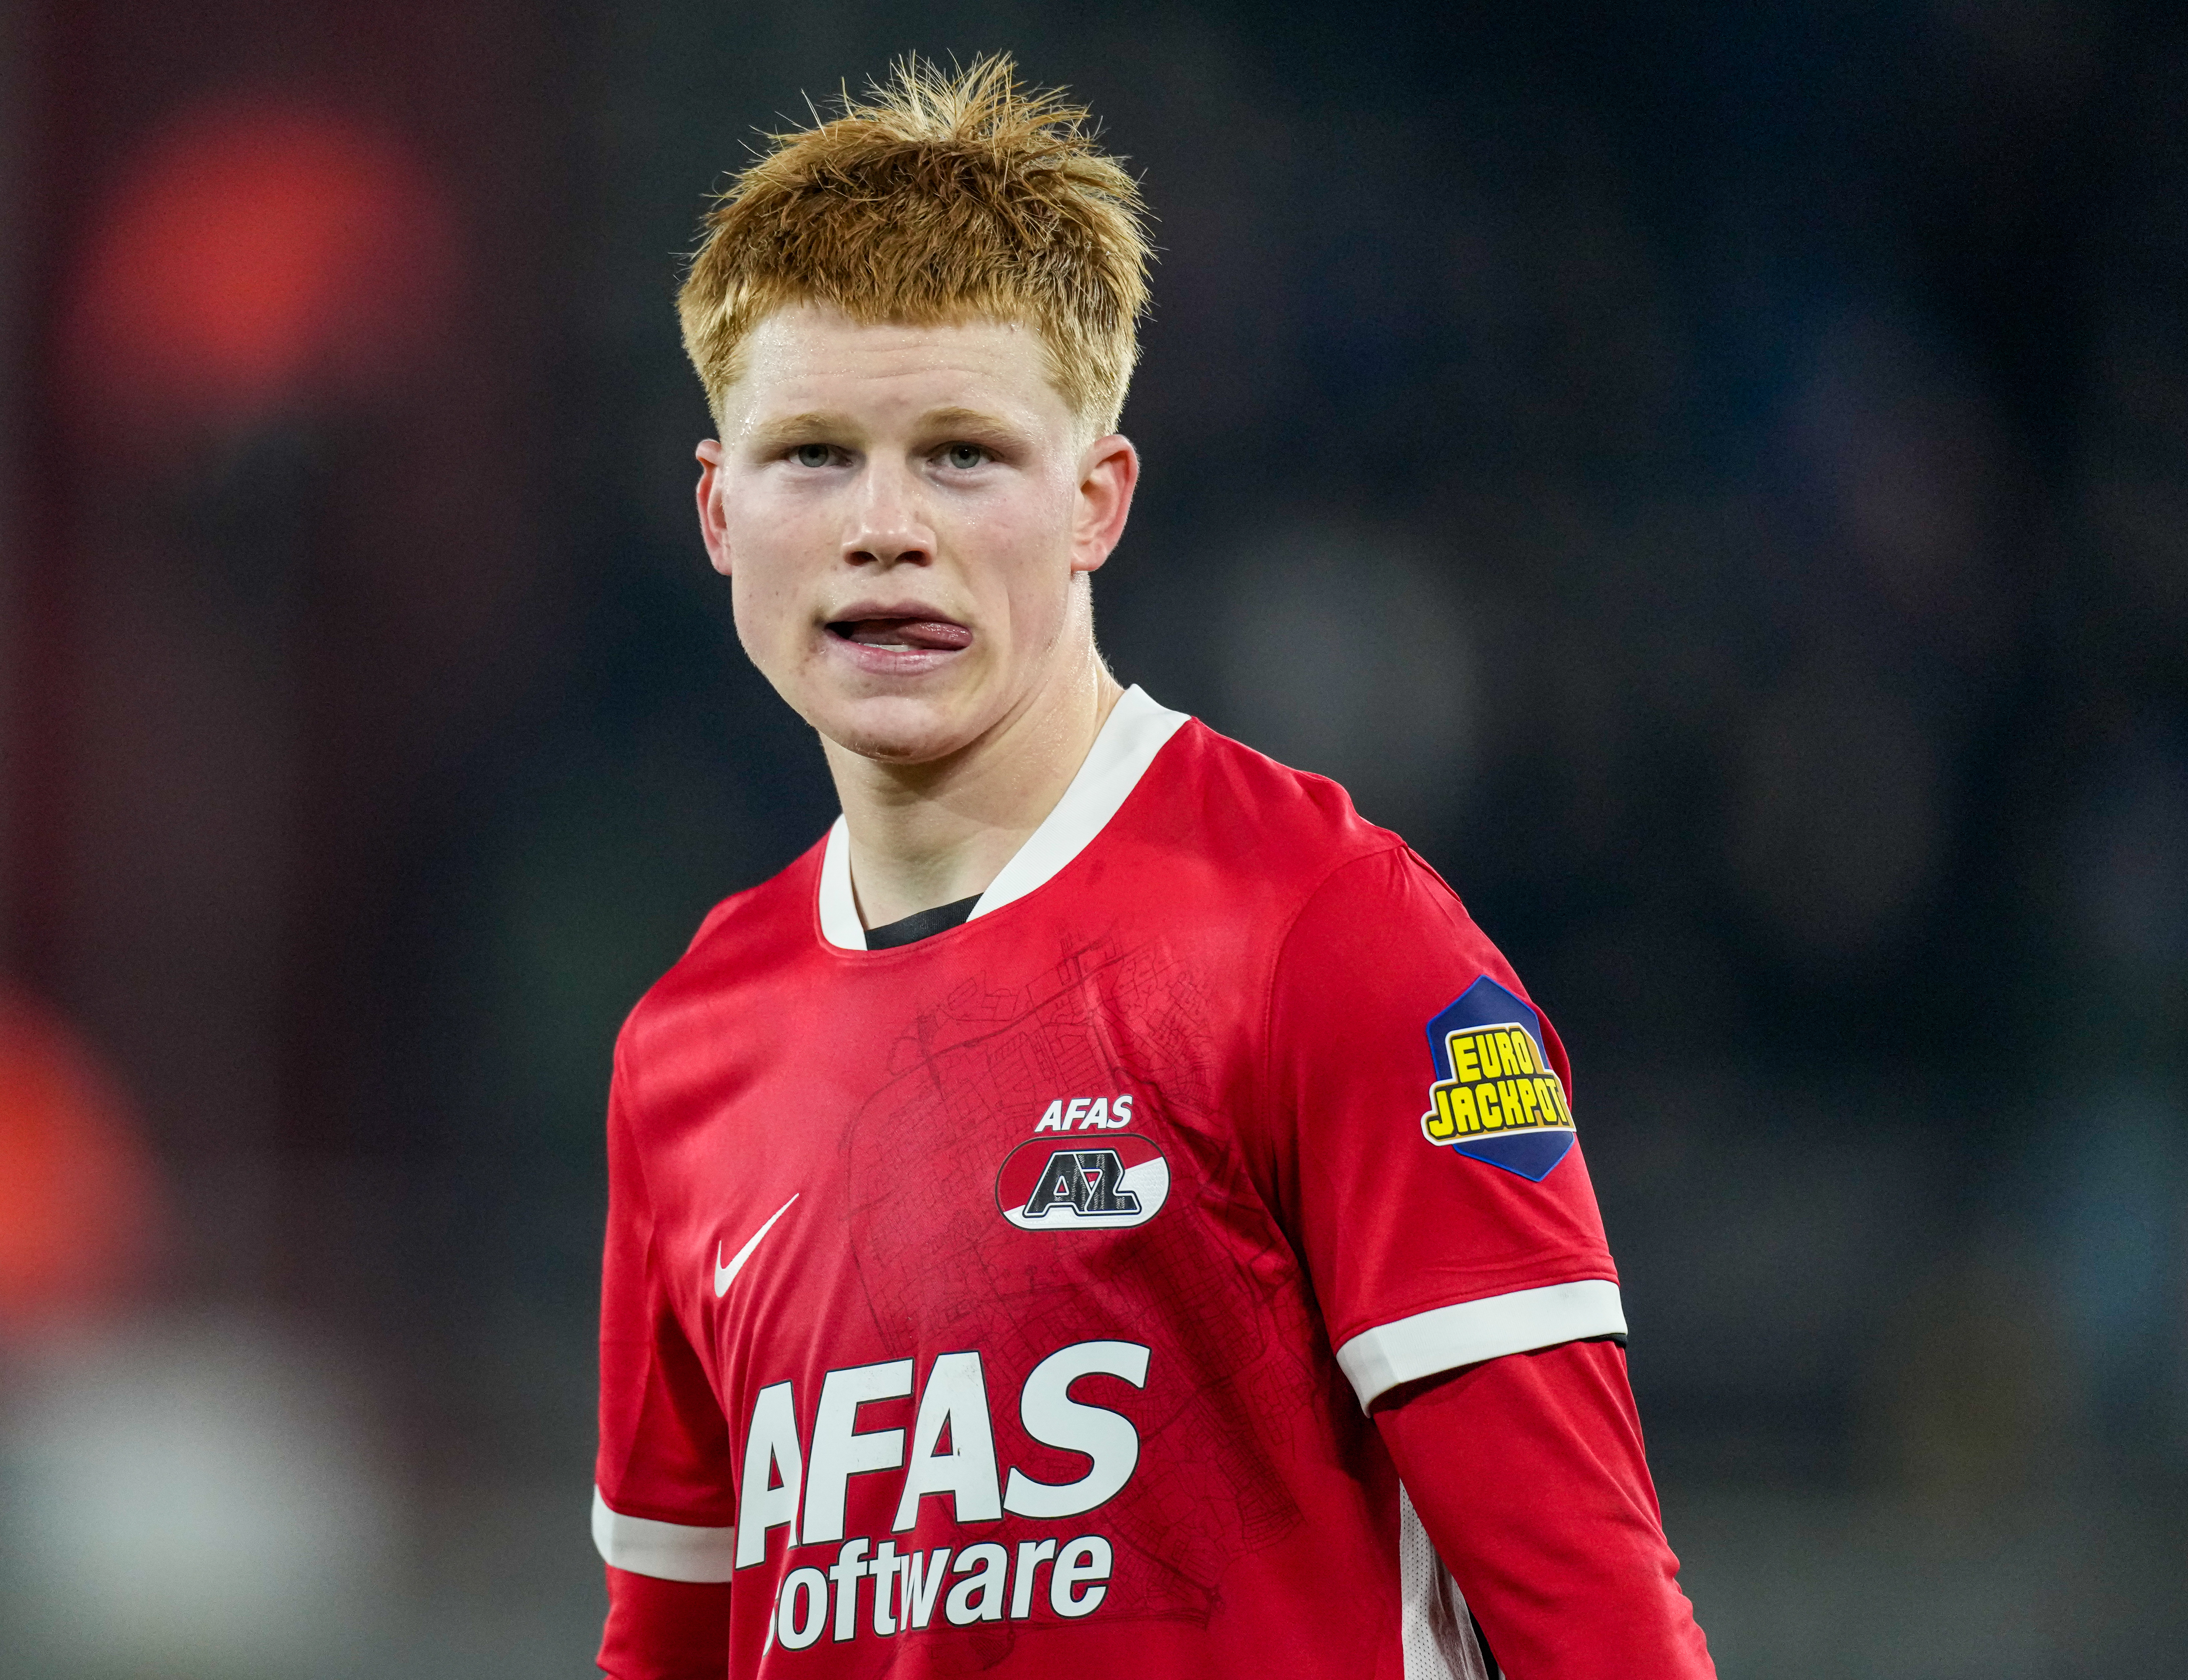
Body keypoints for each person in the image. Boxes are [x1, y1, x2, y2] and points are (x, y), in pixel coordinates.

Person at [591, 54, 1714, 1679]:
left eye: (965, 454)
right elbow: (672, 1649)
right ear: (717, 510)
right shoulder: (686, 1043)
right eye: (813, 454)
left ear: (1096, 501)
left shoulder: (1328, 934)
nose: (884, 525)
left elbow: (1598, 1619)